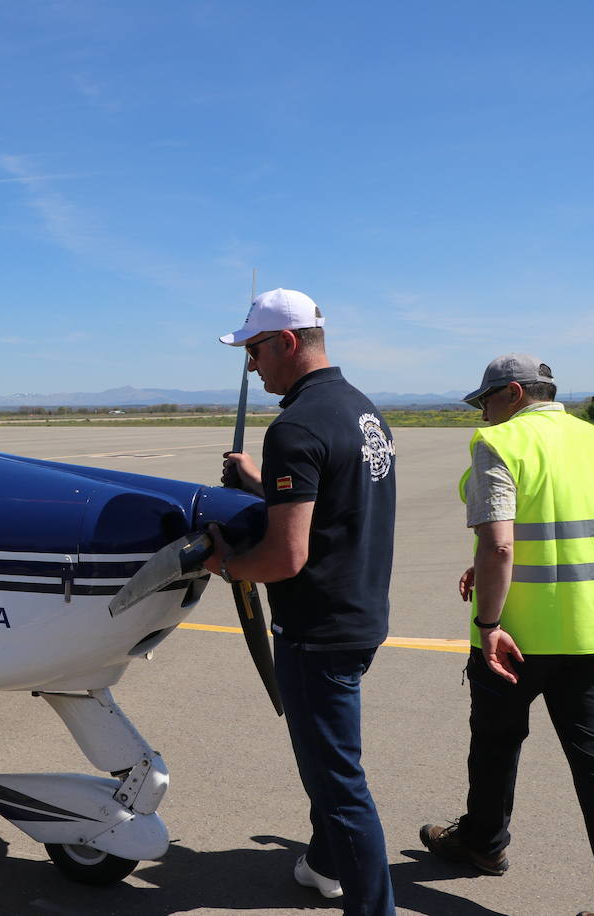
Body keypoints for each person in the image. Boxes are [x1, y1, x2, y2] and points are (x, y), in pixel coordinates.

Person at [202, 288, 397, 915]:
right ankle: (323, 862)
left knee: (339, 785)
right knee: (329, 760)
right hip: (361, 613)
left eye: (255, 350)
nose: (252, 365)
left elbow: (285, 558)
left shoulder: (295, 425)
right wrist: (262, 484)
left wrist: (226, 564)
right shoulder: (363, 412)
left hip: (317, 627)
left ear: (287, 342)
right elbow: (333, 509)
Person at [420, 354, 594, 916]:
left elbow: (500, 543)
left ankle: (482, 843)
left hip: (517, 637)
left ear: (512, 393)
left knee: (495, 741)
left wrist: (488, 622)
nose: (483, 415)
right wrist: (483, 567)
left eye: (485, 402)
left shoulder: (503, 444)